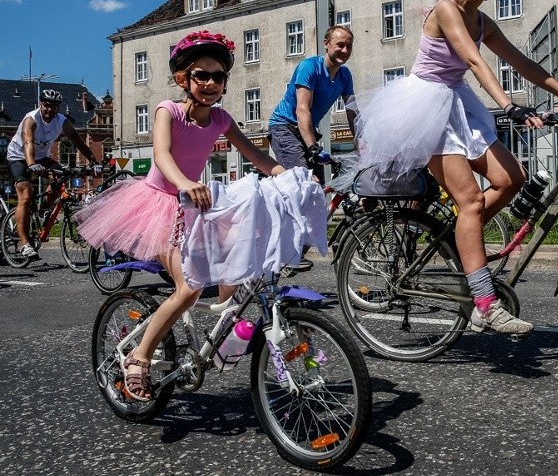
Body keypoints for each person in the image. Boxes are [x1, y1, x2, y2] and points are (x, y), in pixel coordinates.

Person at [355, 0, 558, 336]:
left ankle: (460, 243)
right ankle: (484, 303)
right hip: (426, 106)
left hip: (456, 102)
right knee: (469, 201)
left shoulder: (482, 20)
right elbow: (472, 61)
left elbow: (524, 63)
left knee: (511, 179)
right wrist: (509, 106)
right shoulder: (447, 8)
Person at [75, 30, 287, 401]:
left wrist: (295, 179)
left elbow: (259, 158)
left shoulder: (221, 119)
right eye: (201, 75)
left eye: (218, 76)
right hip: (157, 204)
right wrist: (187, 183)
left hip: (195, 206)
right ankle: (138, 359)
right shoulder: (167, 110)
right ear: (183, 79)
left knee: (240, 263)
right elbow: (162, 156)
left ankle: (219, 338)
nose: (209, 83)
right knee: (188, 288)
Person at [4, 89, 102, 259]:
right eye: (47, 105)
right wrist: (32, 164)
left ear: (58, 108)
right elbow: (28, 143)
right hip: (19, 157)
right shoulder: (31, 119)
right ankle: (24, 243)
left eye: (54, 107)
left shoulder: (61, 121)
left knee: (61, 177)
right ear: (41, 104)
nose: (50, 109)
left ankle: (42, 210)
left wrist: (94, 162)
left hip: (41, 157)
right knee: (26, 195)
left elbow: (78, 142)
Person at [268, 25, 358, 182]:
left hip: (306, 129)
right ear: (326, 44)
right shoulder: (309, 67)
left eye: (349, 46)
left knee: (317, 188)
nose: (345, 51)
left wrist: (362, 145)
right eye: (340, 45)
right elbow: (302, 110)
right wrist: (313, 147)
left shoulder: (345, 75)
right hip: (285, 127)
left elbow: (352, 112)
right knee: (303, 181)